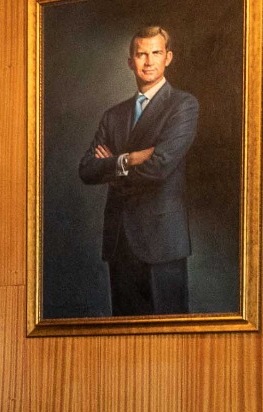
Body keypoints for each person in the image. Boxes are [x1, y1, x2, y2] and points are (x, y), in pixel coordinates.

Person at [78, 24, 200, 316]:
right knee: (124, 334)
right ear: (130, 61)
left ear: (168, 57)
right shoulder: (113, 115)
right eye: (141, 54)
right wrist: (128, 159)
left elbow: (159, 168)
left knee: (168, 333)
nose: (148, 61)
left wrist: (112, 167)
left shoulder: (183, 105)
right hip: (120, 242)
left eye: (155, 53)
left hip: (162, 242)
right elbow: (87, 169)